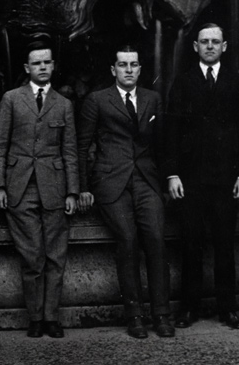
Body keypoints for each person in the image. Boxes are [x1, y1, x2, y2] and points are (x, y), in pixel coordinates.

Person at [76, 46, 173, 339]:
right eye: (122, 65)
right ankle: (135, 316)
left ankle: (162, 314)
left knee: (156, 239)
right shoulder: (97, 100)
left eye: (133, 65)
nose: (128, 70)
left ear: (140, 69)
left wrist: (169, 177)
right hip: (111, 181)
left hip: (146, 179)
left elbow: (162, 143)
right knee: (128, 240)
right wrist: (82, 188)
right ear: (113, 70)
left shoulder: (152, 98)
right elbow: (82, 146)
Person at [164, 24, 239, 329]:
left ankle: (228, 309)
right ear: (195, 47)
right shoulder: (183, 83)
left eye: (216, 42)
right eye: (204, 42)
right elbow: (171, 132)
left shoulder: (238, 83)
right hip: (191, 179)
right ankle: (190, 309)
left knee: (225, 245)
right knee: (191, 244)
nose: (210, 46)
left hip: (226, 179)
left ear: (224, 46)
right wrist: (173, 174)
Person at [0, 41, 79, 338]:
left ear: (53, 66)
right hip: (20, 187)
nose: (42, 67)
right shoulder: (12, 99)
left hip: (54, 187)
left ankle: (52, 317)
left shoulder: (64, 104)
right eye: (36, 63)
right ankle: (35, 317)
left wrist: (72, 192)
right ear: (27, 68)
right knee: (31, 256)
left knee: (55, 254)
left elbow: (70, 151)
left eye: (46, 62)